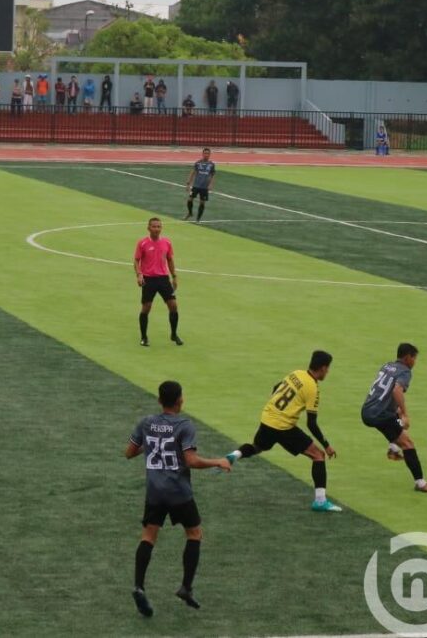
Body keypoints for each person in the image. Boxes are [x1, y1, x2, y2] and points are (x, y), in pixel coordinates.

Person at [126, 379, 231, 617]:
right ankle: (186, 586)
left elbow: (129, 452)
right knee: (194, 533)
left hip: (154, 491)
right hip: (178, 492)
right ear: (179, 400)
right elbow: (191, 461)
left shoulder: (146, 423)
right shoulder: (185, 425)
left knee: (149, 536)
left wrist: (152, 446)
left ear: (159, 400)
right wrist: (218, 461)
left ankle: (139, 586)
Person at [224, 350, 341, 512]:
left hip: (267, 418)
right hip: (283, 426)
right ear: (322, 368)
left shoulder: (296, 373)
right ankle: (320, 501)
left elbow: (275, 388)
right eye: (328, 369)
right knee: (318, 455)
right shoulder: (312, 388)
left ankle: (234, 455)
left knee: (258, 447)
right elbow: (311, 423)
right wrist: (327, 445)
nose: (328, 372)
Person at [360, 343, 427, 493]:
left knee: (396, 419)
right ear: (407, 357)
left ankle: (393, 449)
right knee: (408, 443)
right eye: (414, 358)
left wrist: (398, 413)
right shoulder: (405, 372)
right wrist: (405, 413)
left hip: (367, 410)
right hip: (380, 414)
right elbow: (397, 390)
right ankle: (421, 483)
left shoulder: (387, 366)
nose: (415, 362)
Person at [134, 217, 182, 347]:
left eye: (159, 226)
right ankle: (144, 337)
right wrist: (139, 275)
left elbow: (170, 260)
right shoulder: (142, 243)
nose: (156, 229)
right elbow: (136, 260)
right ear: (148, 228)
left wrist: (174, 276)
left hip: (163, 279)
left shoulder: (166, 242)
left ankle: (174, 334)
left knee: (173, 305)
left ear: (161, 228)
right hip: (148, 279)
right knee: (146, 308)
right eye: (154, 226)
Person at [183, 148, 216, 223]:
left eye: (208, 153)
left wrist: (211, 184)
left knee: (202, 202)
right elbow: (193, 173)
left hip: (204, 187)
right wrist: (188, 183)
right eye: (205, 153)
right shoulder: (198, 163)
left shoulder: (211, 164)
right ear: (202, 154)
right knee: (190, 200)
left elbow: (213, 175)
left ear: (209, 154)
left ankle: (198, 219)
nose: (206, 155)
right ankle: (190, 213)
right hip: (196, 185)